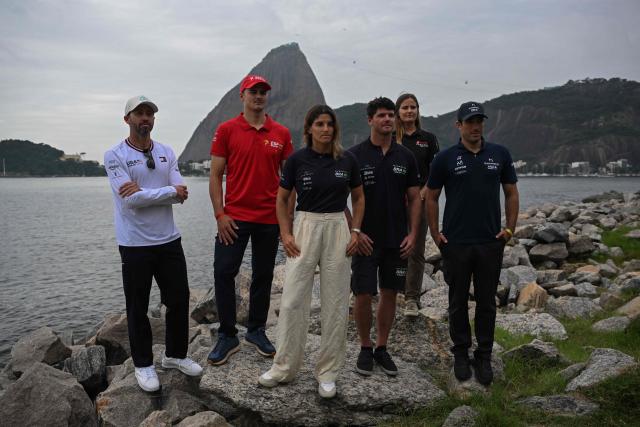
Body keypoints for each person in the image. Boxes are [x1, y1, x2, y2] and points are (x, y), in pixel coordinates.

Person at [257, 105, 365, 398]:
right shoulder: (296, 161)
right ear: (309, 129)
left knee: (336, 301)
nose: (326, 129)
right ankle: (284, 367)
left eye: (330, 124)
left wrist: (355, 230)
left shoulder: (347, 160)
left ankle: (328, 373)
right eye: (320, 124)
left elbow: (358, 196)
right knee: (292, 300)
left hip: (336, 228)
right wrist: (286, 233)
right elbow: (281, 201)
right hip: (305, 225)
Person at [104, 95, 202, 392]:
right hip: (134, 244)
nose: (145, 118)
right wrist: (166, 191)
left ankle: (175, 355)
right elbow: (131, 201)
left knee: (179, 299)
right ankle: (143, 364)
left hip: (169, 240)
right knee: (138, 306)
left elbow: (181, 193)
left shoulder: (166, 152)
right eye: (139, 113)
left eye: (149, 113)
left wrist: (158, 191)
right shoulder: (115, 155)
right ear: (128, 120)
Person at [426, 101, 519, 386]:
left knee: (486, 303)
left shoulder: (499, 154)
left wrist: (509, 230)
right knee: (456, 302)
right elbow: (430, 196)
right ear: (459, 125)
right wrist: (434, 232)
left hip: (490, 242)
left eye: (479, 121)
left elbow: (511, 193)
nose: (475, 126)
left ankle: (484, 354)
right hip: (455, 243)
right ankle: (460, 353)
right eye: (469, 121)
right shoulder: (445, 158)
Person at [207, 75, 293, 365]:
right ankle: (228, 334)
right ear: (242, 95)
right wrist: (220, 214)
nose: (258, 96)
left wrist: (287, 223)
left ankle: (256, 330)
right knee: (223, 272)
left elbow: (289, 180)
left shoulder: (280, 132)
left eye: (263, 92)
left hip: (269, 218)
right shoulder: (226, 130)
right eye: (253, 92)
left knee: (263, 275)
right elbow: (216, 176)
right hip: (234, 218)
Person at [348, 97, 421, 377]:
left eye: (391, 115)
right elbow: (341, 198)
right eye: (381, 115)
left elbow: (415, 199)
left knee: (390, 292)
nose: (388, 119)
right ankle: (365, 347)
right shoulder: (355, 155)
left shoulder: (406, 157)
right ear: (370, 120)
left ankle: (382, 347)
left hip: (397, 239)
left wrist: (413, 234)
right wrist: (355, 230)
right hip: (365, 239)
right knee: (363, 293)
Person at [394, 94, 440, 317]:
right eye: (405, 107)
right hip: (393, 201)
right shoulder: (391, 137)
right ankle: (391, 291)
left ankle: (411, 297)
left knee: (416, 250)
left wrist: (421, 195)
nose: (409, 111)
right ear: (398, 112)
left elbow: (435, 172)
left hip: (419, 201)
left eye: (413, 107)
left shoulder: (428, 139)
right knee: (391, 248)